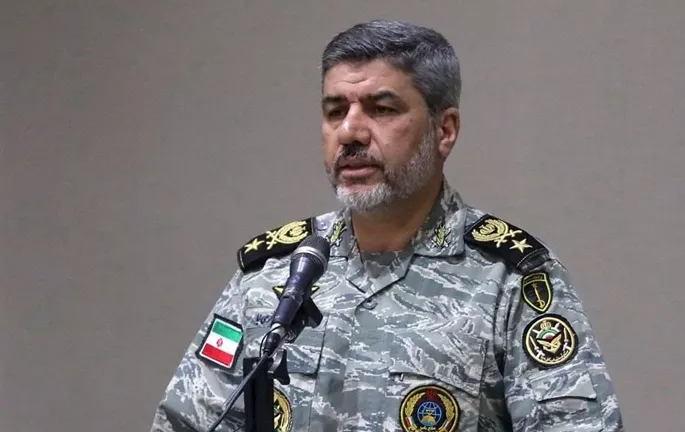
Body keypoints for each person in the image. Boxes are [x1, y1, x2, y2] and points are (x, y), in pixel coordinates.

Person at [149, 19, 624, 432]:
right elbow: (186, 422)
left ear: (444, 130)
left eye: (382, 109)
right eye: (335, 111)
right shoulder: (272, 275)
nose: (350, 132)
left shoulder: (511, 280)